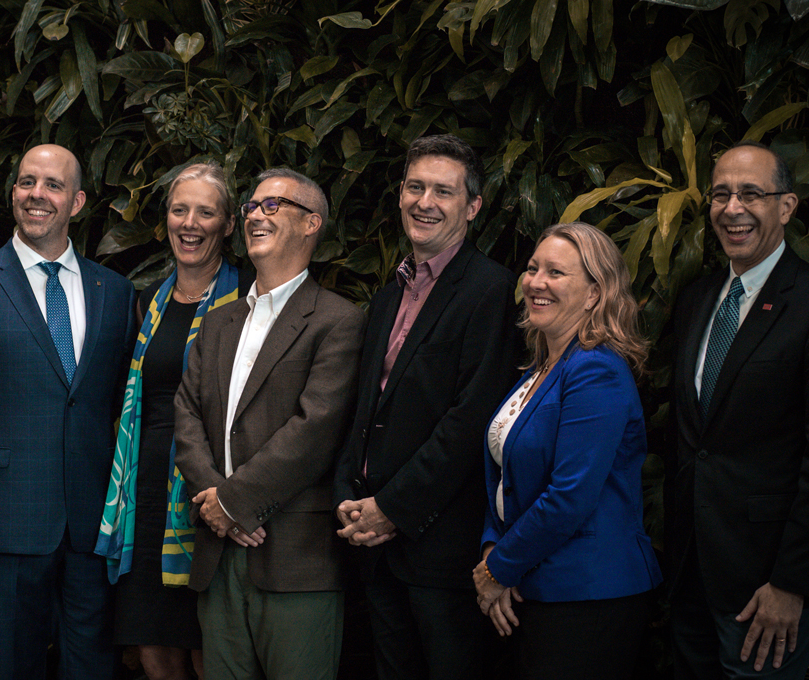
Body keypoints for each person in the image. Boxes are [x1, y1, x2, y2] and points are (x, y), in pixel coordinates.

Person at [0, 144, 135, 680]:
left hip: (93, 527)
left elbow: (118, 406)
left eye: (53, 185)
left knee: (93, 669)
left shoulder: (114, 291)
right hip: (2, 523)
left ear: (78, 201)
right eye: (26, 182)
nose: (36, 194)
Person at [666, 141, 809, 679]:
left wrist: (792, 584)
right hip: (691, 576)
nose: (733, 209)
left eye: (751, 194)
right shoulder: (697, 299)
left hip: (767, 590)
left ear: (787, 206)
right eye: (721, 194)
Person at [333, 133, 520, 679]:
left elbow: (470, 420)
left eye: (443, 191)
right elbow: (365, 406)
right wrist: (349, 491)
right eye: (415, 187)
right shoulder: (391, 292)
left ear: (473, 206)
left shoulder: (491, 290)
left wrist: (393, 507)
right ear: (399, 195)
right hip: (374, 545)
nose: (425, 202)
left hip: (440, 548)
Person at [173, 168, 365, 679]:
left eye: (273, 205)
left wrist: (234, 503)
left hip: (295, 561)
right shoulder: (218, 320)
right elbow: (187, 414)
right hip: (217, 554)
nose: (256, 214)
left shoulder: (338, 320)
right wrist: (217, 503)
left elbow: (315, 430)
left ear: (311, 224)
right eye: (252, 207)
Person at [473, 221, 663, 679]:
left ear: (596, 293)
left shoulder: (596, 370)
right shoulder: (540, 369)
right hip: (534, 588)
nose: (536, 282)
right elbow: (508, 476)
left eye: (556, 273)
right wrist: (490, 550)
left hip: (589, 595)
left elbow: (569, 497)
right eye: (534, 268)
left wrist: (498, 568)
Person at [96, 162, 252, 680]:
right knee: (154, 654)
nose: (190, 222)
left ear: (228, 224)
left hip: (209, 493)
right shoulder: (149, 303)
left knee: (211, 652)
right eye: (179, 209)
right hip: (145, 495)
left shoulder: (249, 301)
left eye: (205, 212)